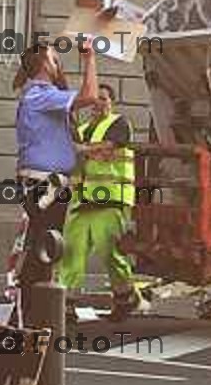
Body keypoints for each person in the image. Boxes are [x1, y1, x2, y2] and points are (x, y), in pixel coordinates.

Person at [8, 39, 99, 322]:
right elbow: (90, 95)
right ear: (45, 64)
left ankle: (33, 313)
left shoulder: (41, 97)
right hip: (44, 184)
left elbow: (52, 140)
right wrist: (90, 58)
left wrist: (84, 150)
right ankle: (26, 314)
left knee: (45, 247)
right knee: (41, 247)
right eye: (55, 57)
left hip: (47, 182)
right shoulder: (40, 94)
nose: (59, 62)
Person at [57, 83, 149, 319]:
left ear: (111, 103)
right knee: (71, 252)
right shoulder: (83, 128)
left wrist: (82, 149)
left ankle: (126, 296)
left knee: (110, 253)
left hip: (111, 199)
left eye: (104, 99)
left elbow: (107, 149)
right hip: (82, 200)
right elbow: (73, 155)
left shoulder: (119, 124)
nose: (98, 103)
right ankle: (64, 304)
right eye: (95, 99)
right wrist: (86, 151)